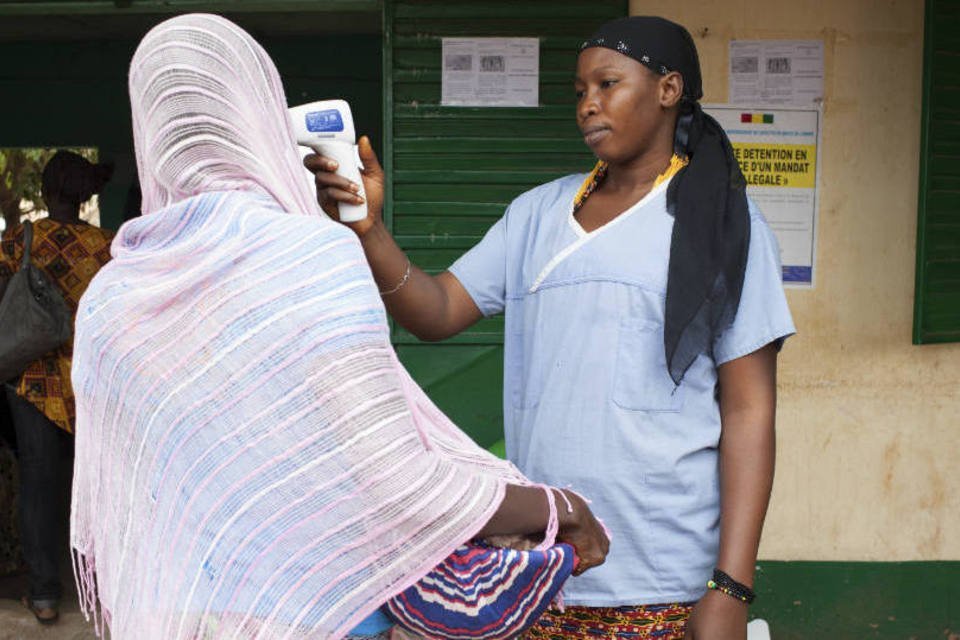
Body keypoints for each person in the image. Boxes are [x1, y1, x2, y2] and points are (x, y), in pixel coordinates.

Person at [68, 14, 608, 640]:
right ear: (260, 111)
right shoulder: (314, 257)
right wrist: (561, 508)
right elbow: (403, 485)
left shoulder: (110, 296)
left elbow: (115, 514)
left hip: (175, 620)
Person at [307, 15, 796, 640]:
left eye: (608, 84)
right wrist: (368, 229)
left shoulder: (723, 224)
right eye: (579, 90)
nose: (588, 104)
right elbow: (437, 310)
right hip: (541, 567)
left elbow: (750, 412)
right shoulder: (535, 214)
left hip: (663, 576)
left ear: (669, 89)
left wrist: (731, 586)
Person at [0, 150, 113, 625]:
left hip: (33, 381)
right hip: (89, 381)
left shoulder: (18, 240)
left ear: (46, 191)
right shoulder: (108, 248)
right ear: (85, 195)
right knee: (97, 485)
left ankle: (45, 593)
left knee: (38, 482)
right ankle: (102, 586)